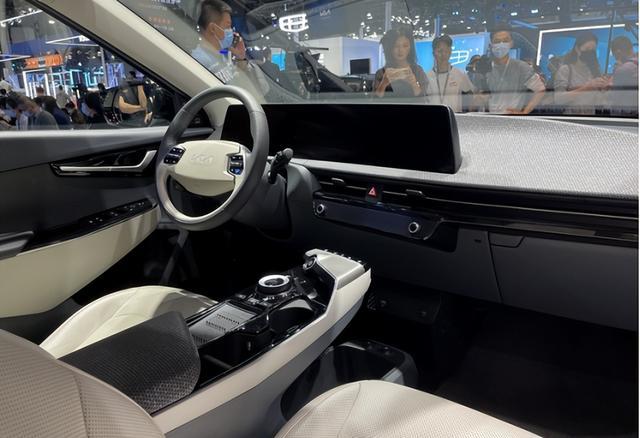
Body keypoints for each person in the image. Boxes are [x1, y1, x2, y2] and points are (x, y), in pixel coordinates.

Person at [481, 25, 546, 114]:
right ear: (491, 45)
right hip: (489, 117)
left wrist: (524, 112)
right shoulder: (486, 68)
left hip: (511, 117)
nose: (501, 44)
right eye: (497, 41)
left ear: (511, 43)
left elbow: (540, 90)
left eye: (505, 40)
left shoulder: (521, 67)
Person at [192, 0, 249, 82]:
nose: (231, 31)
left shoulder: (221, 52)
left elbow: (237, 80)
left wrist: (241, 58)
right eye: (228, 26)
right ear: (213, 28)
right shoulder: (199, 61)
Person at [554, 32, 608, 115]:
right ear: (577, 49)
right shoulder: (566, 70)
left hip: (590, 118)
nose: (590, 52)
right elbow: (558, 99)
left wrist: (605, 90)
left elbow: (599, 102)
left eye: (593, 50)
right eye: (587, 49)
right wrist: (586, 87)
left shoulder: (595, 71)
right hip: (571, 118)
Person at [374, 27, 429, 98]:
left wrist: (414, 84)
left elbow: (424, 99)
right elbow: (375, 100)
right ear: (390, 48)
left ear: (410, 48)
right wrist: (384, 83)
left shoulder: (417, 71)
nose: (400, 50)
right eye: (396, 46)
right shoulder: (381, 73)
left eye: (405, 46)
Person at [426, 35, 475, 112]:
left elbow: (470, 96)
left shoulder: (459, 74)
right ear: (433, 53)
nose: (443, 54)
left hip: (454, 116)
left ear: (450, 52)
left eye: (447, 51)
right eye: (440, 51)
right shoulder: (427, 76)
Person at [609, 36, 638, 115]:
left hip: (627, 112)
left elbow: (614, 95)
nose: (615, 58)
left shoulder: (623, 69)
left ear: (618, 53)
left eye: (614, 55)